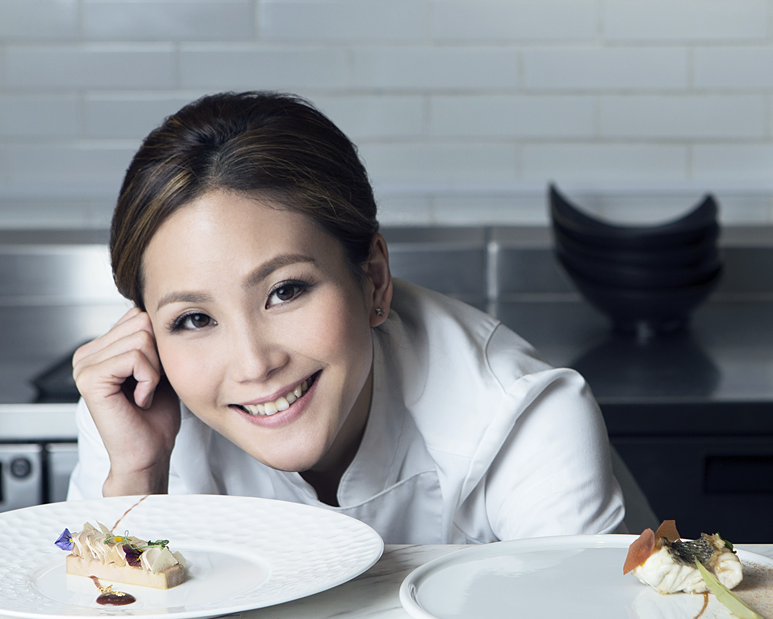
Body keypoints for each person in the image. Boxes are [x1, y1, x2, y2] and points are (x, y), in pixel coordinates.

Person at [67, 91, 625, 544]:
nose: (254, 364)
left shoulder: (519, 413)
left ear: (373, 280)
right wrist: (137, 476)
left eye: (285, 291)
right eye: (193, 319)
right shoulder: (131, 420)